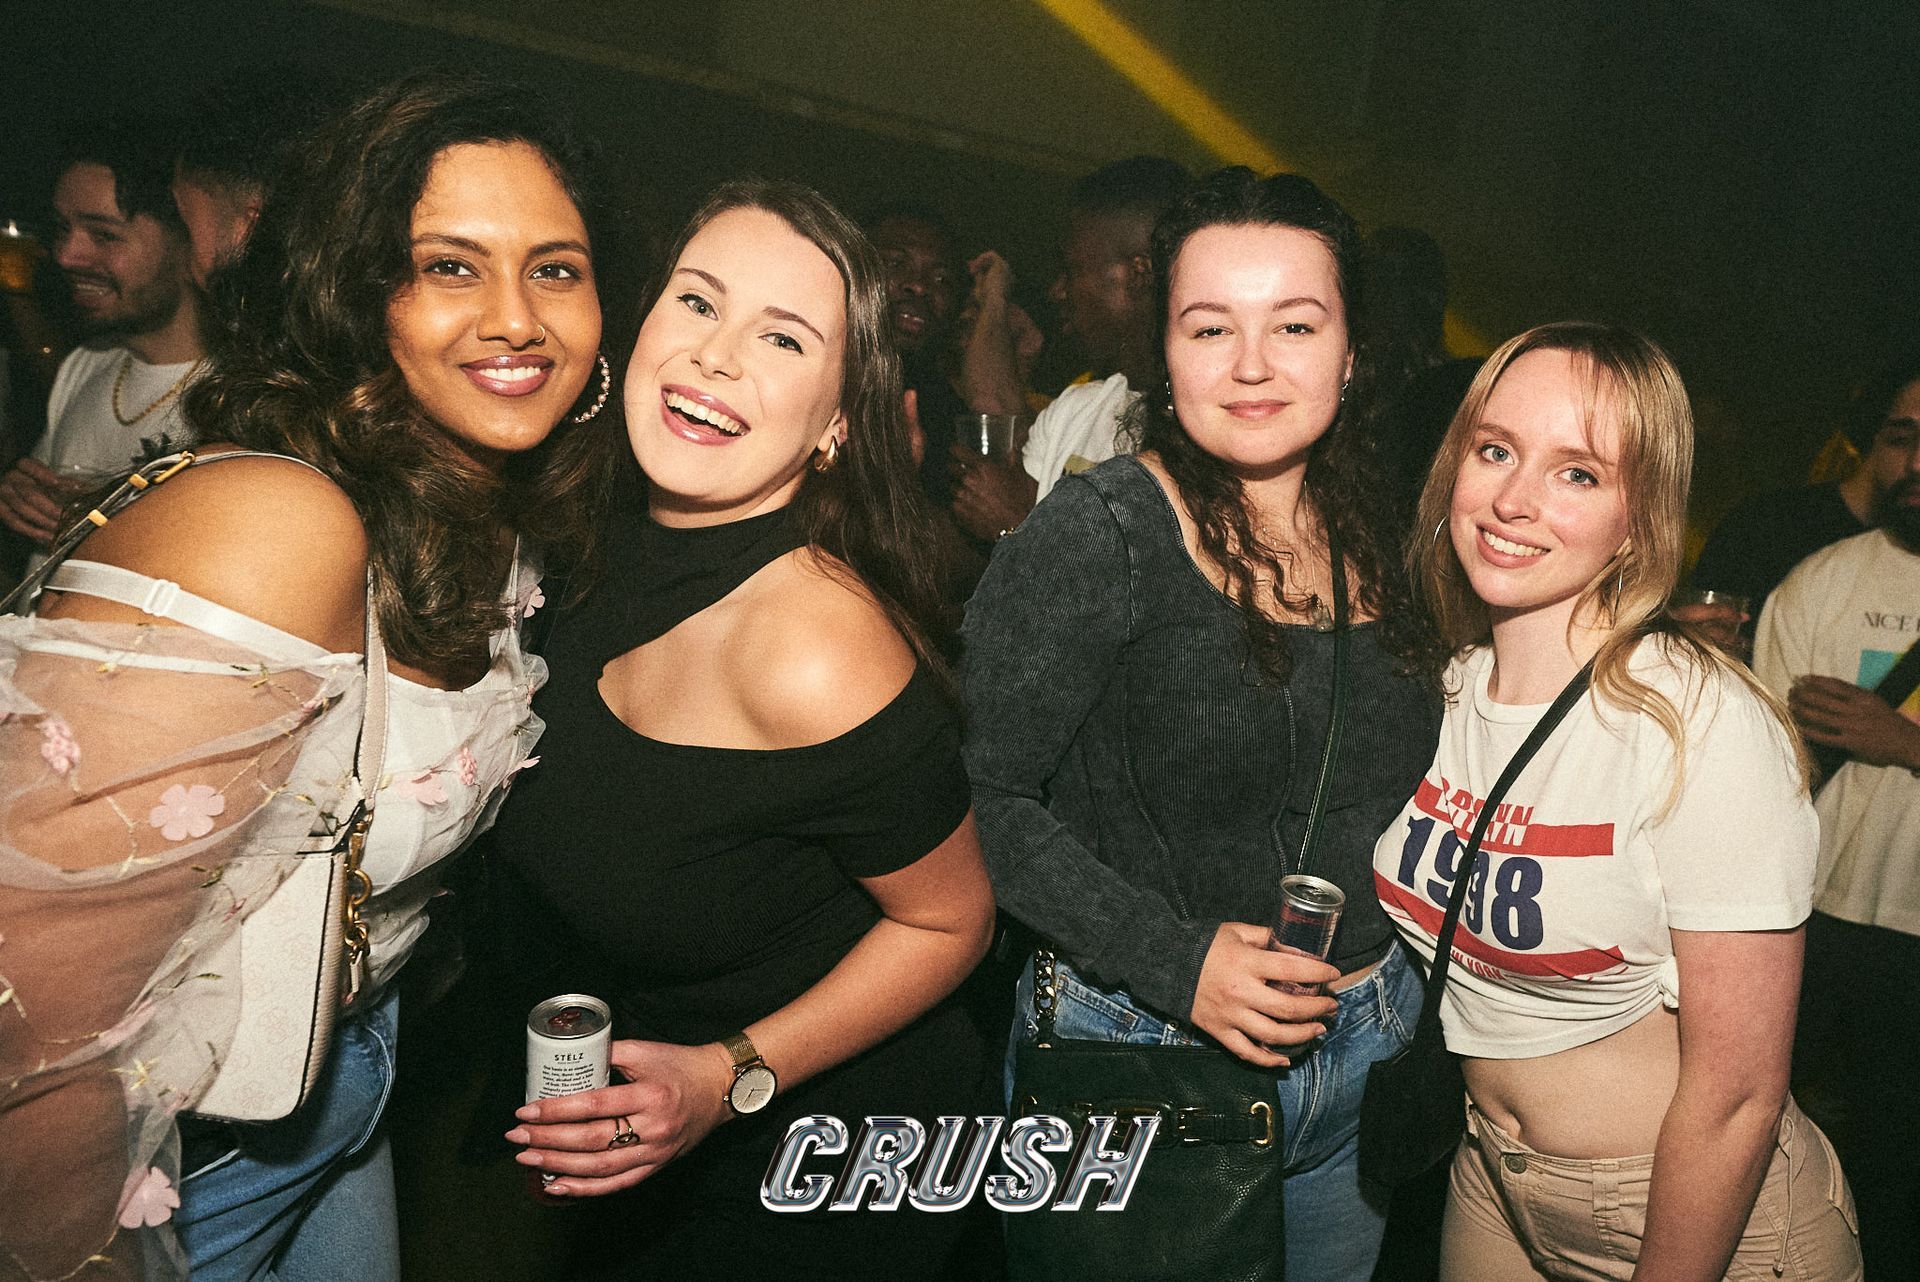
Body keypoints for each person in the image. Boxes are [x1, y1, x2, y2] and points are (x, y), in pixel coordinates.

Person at [0, 71, 609, 1282]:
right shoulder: (274, 523)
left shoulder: (488, 506)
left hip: (337, 1077)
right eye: (448, 266)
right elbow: (31, 1029)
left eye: (554, 268)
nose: (516, 319)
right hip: (172, 1152)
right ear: (350, 290)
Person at [490, 179, 996, 1279]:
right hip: (632, 1125)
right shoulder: (576, 539)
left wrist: (725, 1077)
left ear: (839, 422)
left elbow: (950, 925)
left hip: (820, 1162)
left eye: (782, 337)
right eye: (697, 301)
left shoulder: (814, 647)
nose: (715, 356)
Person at [962, 166, 1441, 1281]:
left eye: (1296, 324)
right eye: (1210, 326)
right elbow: (980, 800)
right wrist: (1176, 961)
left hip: (1366, 1052)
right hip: (1146, 1058)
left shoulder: (1389, 533)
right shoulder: (1101, 534)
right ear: (1164, 354)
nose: (1253, 363)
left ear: (1352, 352)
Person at [1376, 321, 1861, 1279]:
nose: (1513, 500)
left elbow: (1738, 1095)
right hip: (1490, 1181)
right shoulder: (1443, 687)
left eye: (1578, 473)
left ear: (1640, 517)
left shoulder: (1699, 725)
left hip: (1695, 1209)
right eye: (1495, 450)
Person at [1753, 389, 1920, 1277]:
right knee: (1770, 1150)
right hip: (1812, 919)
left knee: (1900, 1176)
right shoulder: (1821, 580)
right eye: (1903, 438)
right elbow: (1760, 771)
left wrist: (1905, 742)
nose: (1918, 464)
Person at [949, 155, 1188, 543]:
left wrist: (1014, 530)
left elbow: (1153, 581)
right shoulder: (1079, 407)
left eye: (1073, 270)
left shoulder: (1206, 431)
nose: (1058, 291)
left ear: (1139, 275)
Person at [0, 116, 204, 558]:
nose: (65, 255)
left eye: (104, 235)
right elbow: (50, 508)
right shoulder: (86, 363)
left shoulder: (243, 398)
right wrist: (20, 497)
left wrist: (109, 535)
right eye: (62, 229)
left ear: (190, 242)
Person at [1683, 358, 1920, 649]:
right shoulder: (1764, 527)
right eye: (1901, 439)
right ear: (1873, 437)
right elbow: (1701, 633)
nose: (1917, 463)